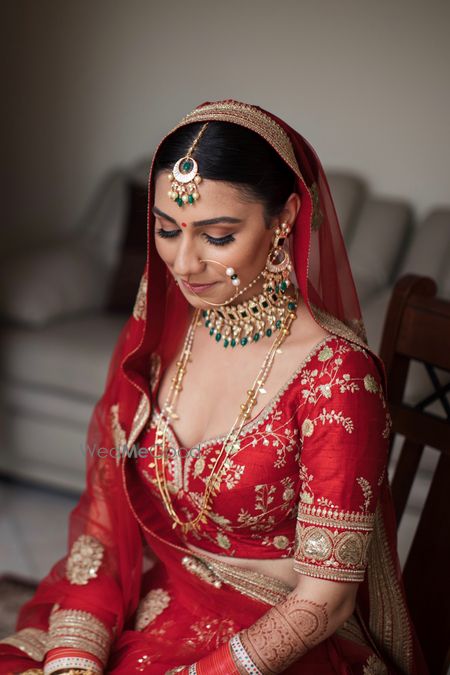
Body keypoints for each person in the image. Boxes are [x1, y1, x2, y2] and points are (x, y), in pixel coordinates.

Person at [0, 99, 428, 675]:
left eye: (218, 235)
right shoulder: (163, 334)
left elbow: (325, 602)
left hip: (275, 639)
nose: (183, 262)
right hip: (160, 593)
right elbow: (106, 529)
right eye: (166, 229)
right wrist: (74, 657)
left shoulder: (337, 378)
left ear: (285, 218)